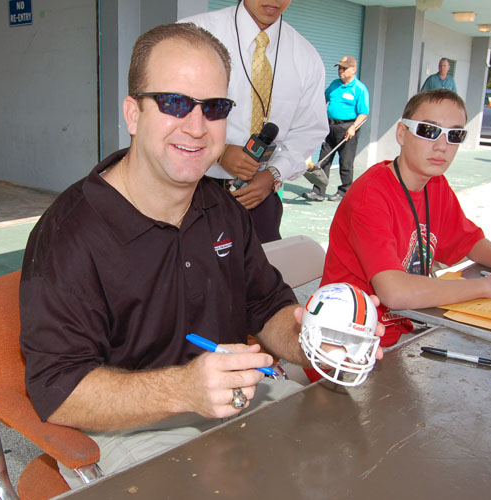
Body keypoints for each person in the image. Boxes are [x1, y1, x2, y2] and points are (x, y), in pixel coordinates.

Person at [19, 23, 383, 487]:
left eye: (214, 108)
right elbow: (58, 391)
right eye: (174, 103)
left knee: (357, 461)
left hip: (238, 397)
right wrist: (183, 389)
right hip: (132, 429)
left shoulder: (222, 208)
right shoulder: (69, 234)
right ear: (133, 114)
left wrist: (315, 338)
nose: (196, 126)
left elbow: (266, 307)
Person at [321, 89, 491, 347]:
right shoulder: (370, 196)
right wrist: (489, 286)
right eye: (429, 131)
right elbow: (394, 292)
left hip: (402, 331)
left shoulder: (435, 185)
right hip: (348, 345)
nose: (442, 146)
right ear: (402, 134)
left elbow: (468, 240)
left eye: (455, 135)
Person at [180, 0, 328, 242]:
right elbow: (168, 110)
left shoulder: (306, 57)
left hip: (260, 194)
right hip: (193, 187)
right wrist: (219, 152)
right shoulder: (194, 34)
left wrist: (272, 175)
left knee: (260, 274)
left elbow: (309, 130)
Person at [302, 56, 369, 202]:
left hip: (347, 128)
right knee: (323, 159)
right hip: (330, 126)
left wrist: (353, 127)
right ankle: (318, 191)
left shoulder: (359, 89)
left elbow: (364, 112)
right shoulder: (335, 84)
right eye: (339, 68)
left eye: (344, 68)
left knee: (345, 163)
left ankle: (344, 191)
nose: (341, 71)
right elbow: (323, 99)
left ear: (353, 69)